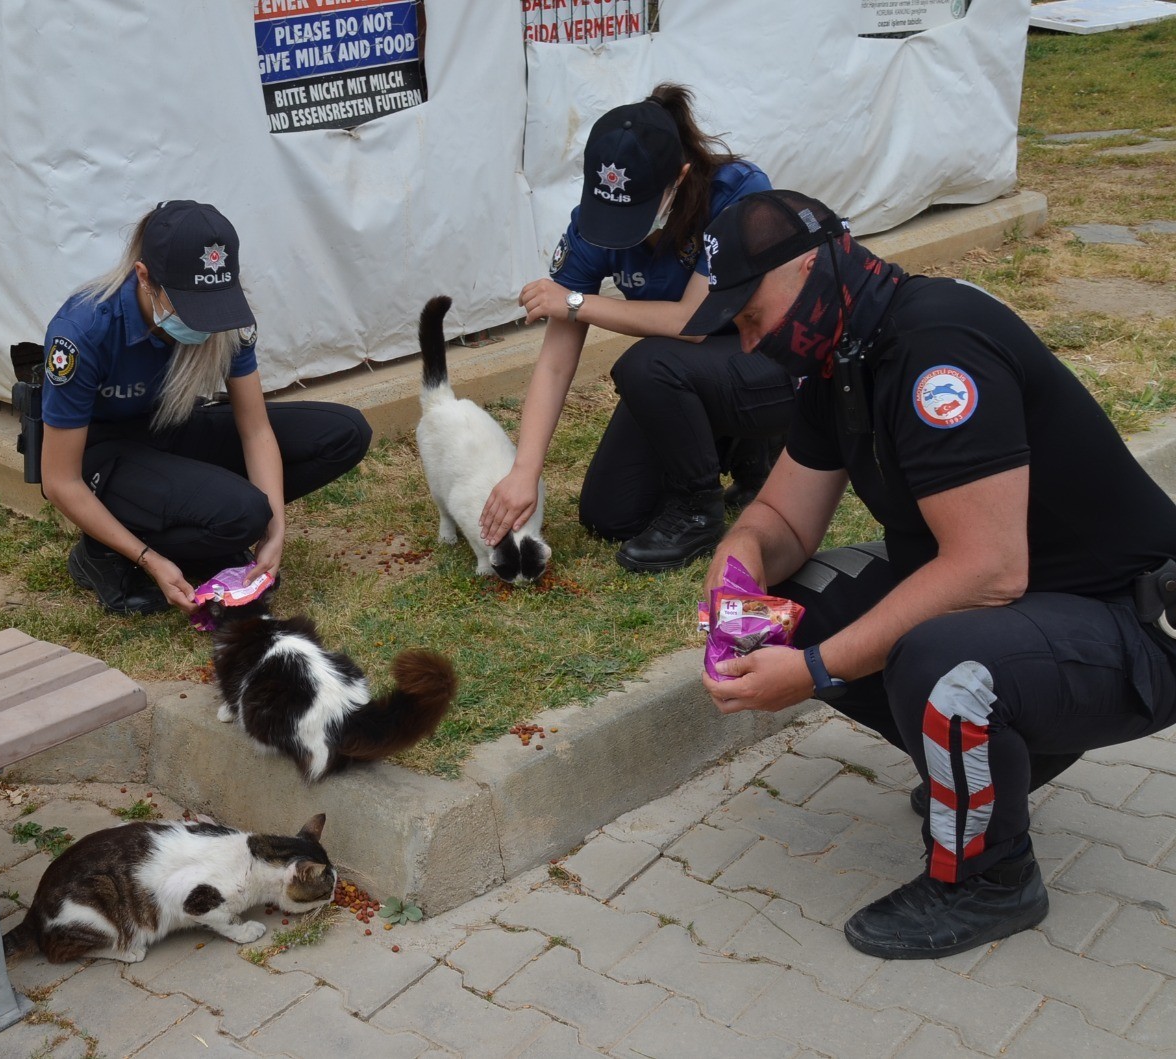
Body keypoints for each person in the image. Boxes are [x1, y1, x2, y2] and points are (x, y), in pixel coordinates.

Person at [691, 189, 1176, 959]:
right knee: (788, 602)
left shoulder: (934, 346)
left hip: (1135, 626)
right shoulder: (840, 359)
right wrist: (736, 579)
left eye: (753, 314)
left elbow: (988, 569)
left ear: (815, 267)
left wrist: (812, 670)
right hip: (1040, 610)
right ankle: (999, 762)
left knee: (939, 659)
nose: (748, 343)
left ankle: (989, 881)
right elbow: (780, 524)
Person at [480, 84, 791, 574]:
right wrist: (525, 469)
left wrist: (578, 302)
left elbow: (693, 321)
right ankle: (731, 447)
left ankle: (701, 505)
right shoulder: (589, 222)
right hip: (690, 372)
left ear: (681, 176)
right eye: (613, 214)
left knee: (646, 364)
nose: (624, 230)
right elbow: (557, 360)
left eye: (637, 212)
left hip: (773, 367)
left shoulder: (737, 192)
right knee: (610, 514)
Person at [39, 200, 371, 615]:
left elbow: (255, 429)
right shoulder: (83, 329)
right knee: (244, 513)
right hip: (104, 453)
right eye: (191, 306)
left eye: (214, 305)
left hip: (173, 427)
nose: (205, 323)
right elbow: (58, 481)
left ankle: (210, 531)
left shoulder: (230, 318)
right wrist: (151, 560)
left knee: (343, 433)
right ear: (144, 277)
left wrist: (275, 531)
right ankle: (102, 554)